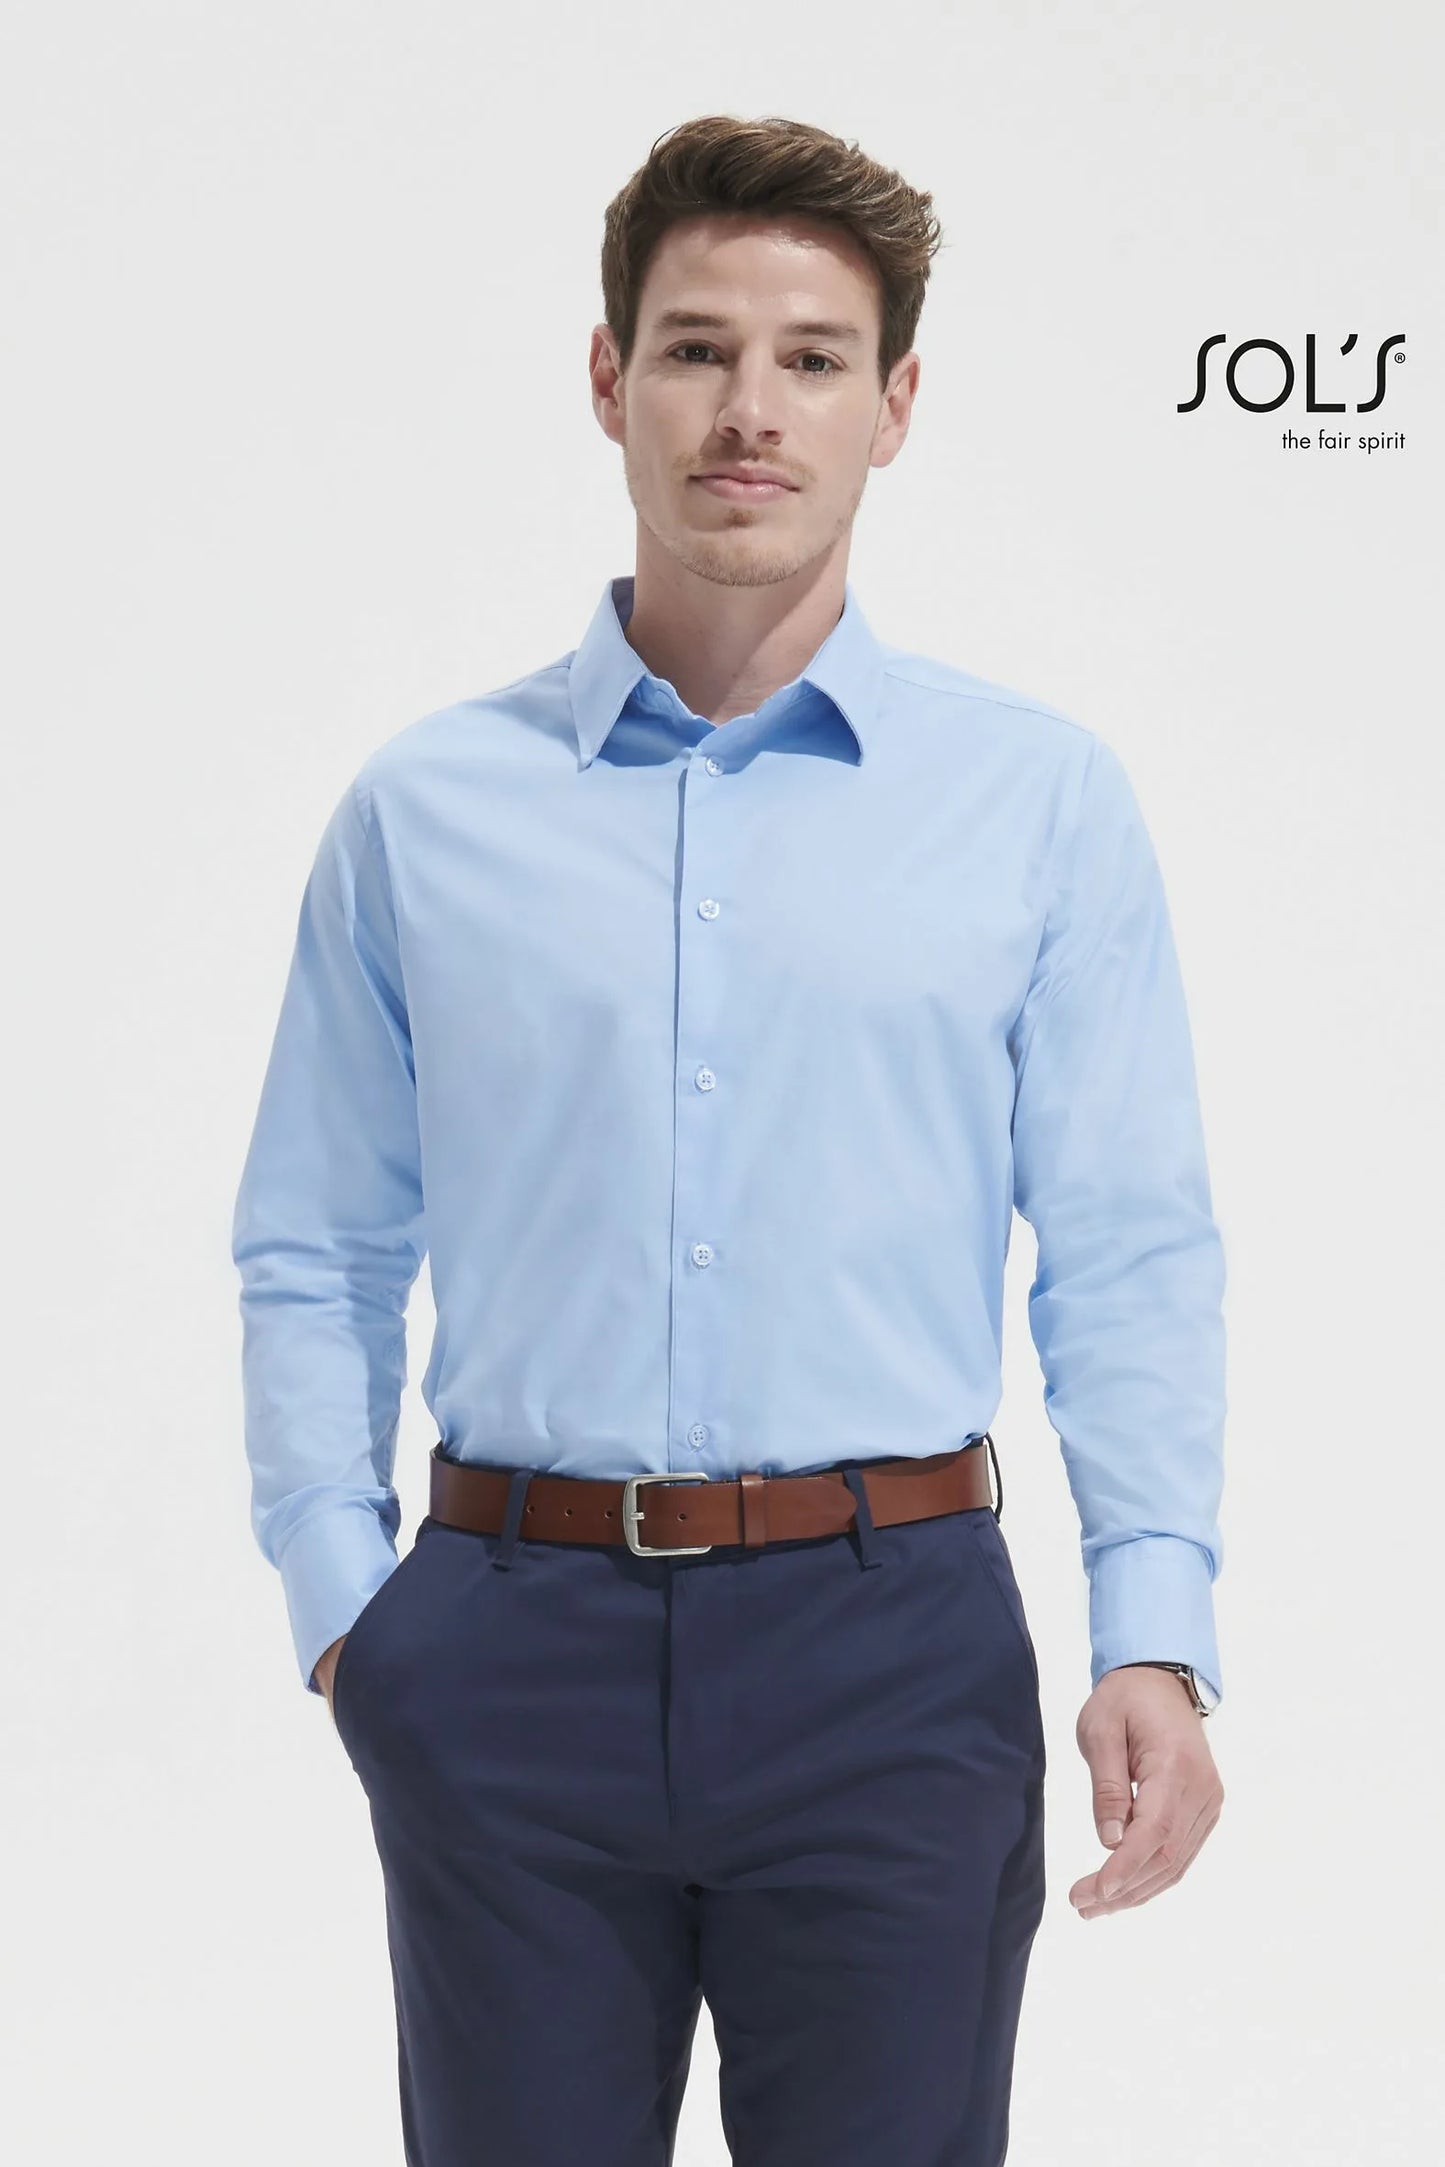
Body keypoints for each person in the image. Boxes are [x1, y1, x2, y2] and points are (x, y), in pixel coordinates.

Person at [231, 111, 1227, 2167]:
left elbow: (1128, 1247)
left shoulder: (1036, 803)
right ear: (609, 381)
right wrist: (352, 1611)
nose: (749, 409)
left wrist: (1153, 1625)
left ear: (895, 406)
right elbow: (315, 1241)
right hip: (504, 1647)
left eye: (810, 358)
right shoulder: (427, 810)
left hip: (892, 1648)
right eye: (695, 349)